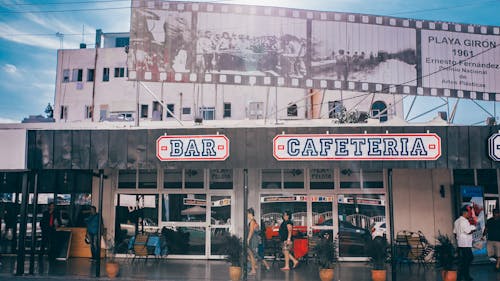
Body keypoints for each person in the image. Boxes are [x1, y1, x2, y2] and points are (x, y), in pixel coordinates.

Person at [454, 205, 476, 281]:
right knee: (469, 258)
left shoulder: (456, 221)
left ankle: (462, 275)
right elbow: (468, 231)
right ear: (465, 213)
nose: (469, 214)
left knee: (465, 259)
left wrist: (458, 239)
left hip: (461, 243)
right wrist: (474, 228)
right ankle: (464, 275)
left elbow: (455, 233)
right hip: (466, 243)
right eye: (468, 212)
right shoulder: (464, 221)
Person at [247, 208, 270, 275]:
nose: (247, 215)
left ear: (250, 213)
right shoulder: (254, 221)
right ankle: (256, 266)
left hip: (253, 239)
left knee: (252, 254)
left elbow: (251, 231)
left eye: (247, 214)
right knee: (253, 254)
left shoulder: (252, 221)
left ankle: (253, 269)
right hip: (255, 239)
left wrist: (248, 239)